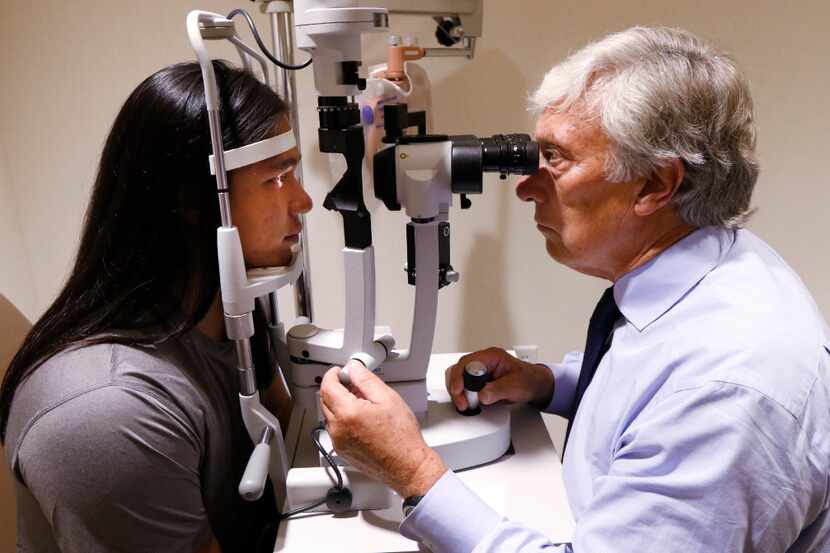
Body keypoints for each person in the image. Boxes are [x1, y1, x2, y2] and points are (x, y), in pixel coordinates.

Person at [319, 26, 830, 552]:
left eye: (555, 158)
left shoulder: (726, 391)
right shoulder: (715, 265)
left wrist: (413, 473)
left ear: (655, 185)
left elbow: (687, 401)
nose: (523, 186)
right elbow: (653, 391)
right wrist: (553, 385)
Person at [0, 61, 312, 553]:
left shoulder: (228, 315)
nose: (304, 201)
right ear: (192, 198)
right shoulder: (107, 413)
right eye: (277, 178)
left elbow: (295, 447)